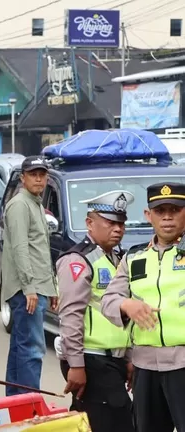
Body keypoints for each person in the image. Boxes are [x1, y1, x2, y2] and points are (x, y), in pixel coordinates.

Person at [102, 182, 185, 432]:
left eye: (175, 209)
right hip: (145, 367)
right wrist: (127, 305)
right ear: (149, 216)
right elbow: (108, 300)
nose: (167, 217)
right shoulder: (135, 257)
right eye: (160, 211)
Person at [55, 190, 135, 432]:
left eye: (121, 223)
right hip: (91, 359)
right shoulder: (78, 260)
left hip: (114, 359)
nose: (118, 229)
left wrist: (129, 356)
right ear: (90, 223)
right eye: (110, 223)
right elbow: (70, 315)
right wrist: (76, 365)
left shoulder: (117, 259)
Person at [1, 155, 57, 396]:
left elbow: (41, 249)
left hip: (37, 287)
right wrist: (30, 288)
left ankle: (15, 402)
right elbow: (20, 249)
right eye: (33, 174)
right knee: (32, 350)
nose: (38, 178)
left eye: (42, 174)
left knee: (20, 348)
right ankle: (29, 404)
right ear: (22, 178)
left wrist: (52, 287)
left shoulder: (34, 203)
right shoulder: (19, 205)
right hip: (27, 290)